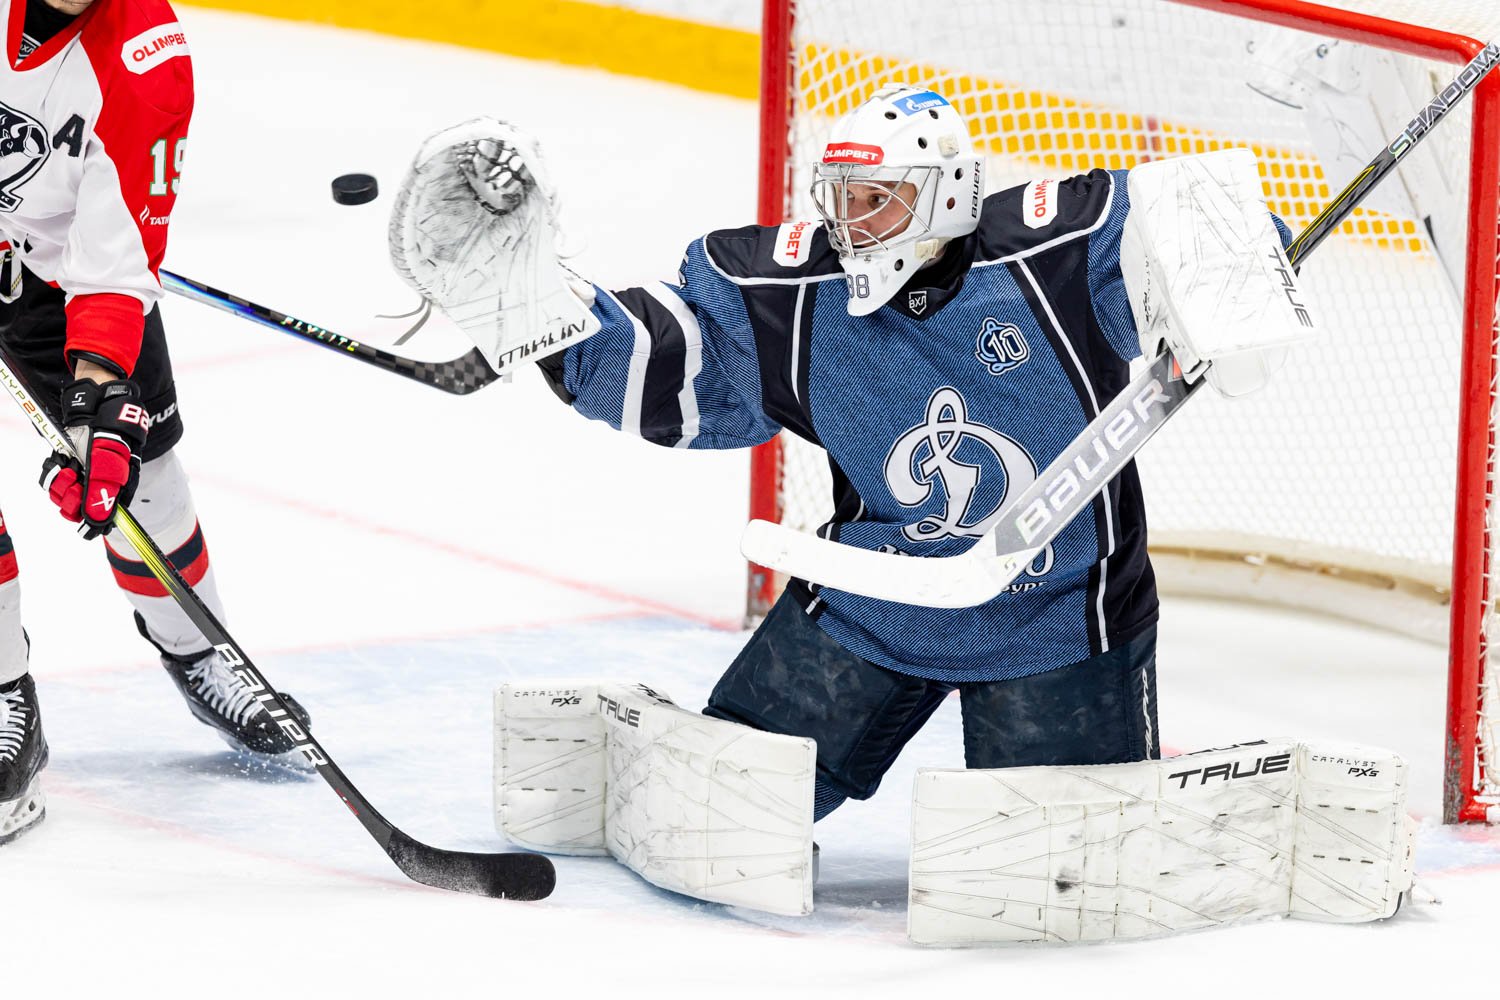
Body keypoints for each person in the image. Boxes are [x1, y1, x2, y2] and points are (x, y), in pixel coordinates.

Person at [389, 85, 1298, 824]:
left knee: (1066, 860)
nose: (851, 224)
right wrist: (543, 314)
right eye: (840, 198)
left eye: (877, 200)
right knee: (718, 813)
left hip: (1058, 613)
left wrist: (1229, 283)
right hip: (875, 599)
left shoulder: (1051, 255)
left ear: (945, 195)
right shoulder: (793, 293)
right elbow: (681, 375)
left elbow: (1201, 205)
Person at [0, 0, 308, 846]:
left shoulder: (143, 57)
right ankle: (3, 693)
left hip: (58, 272)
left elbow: (112, 260)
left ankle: (200, 652)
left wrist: (100, 404)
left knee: (145, 484)